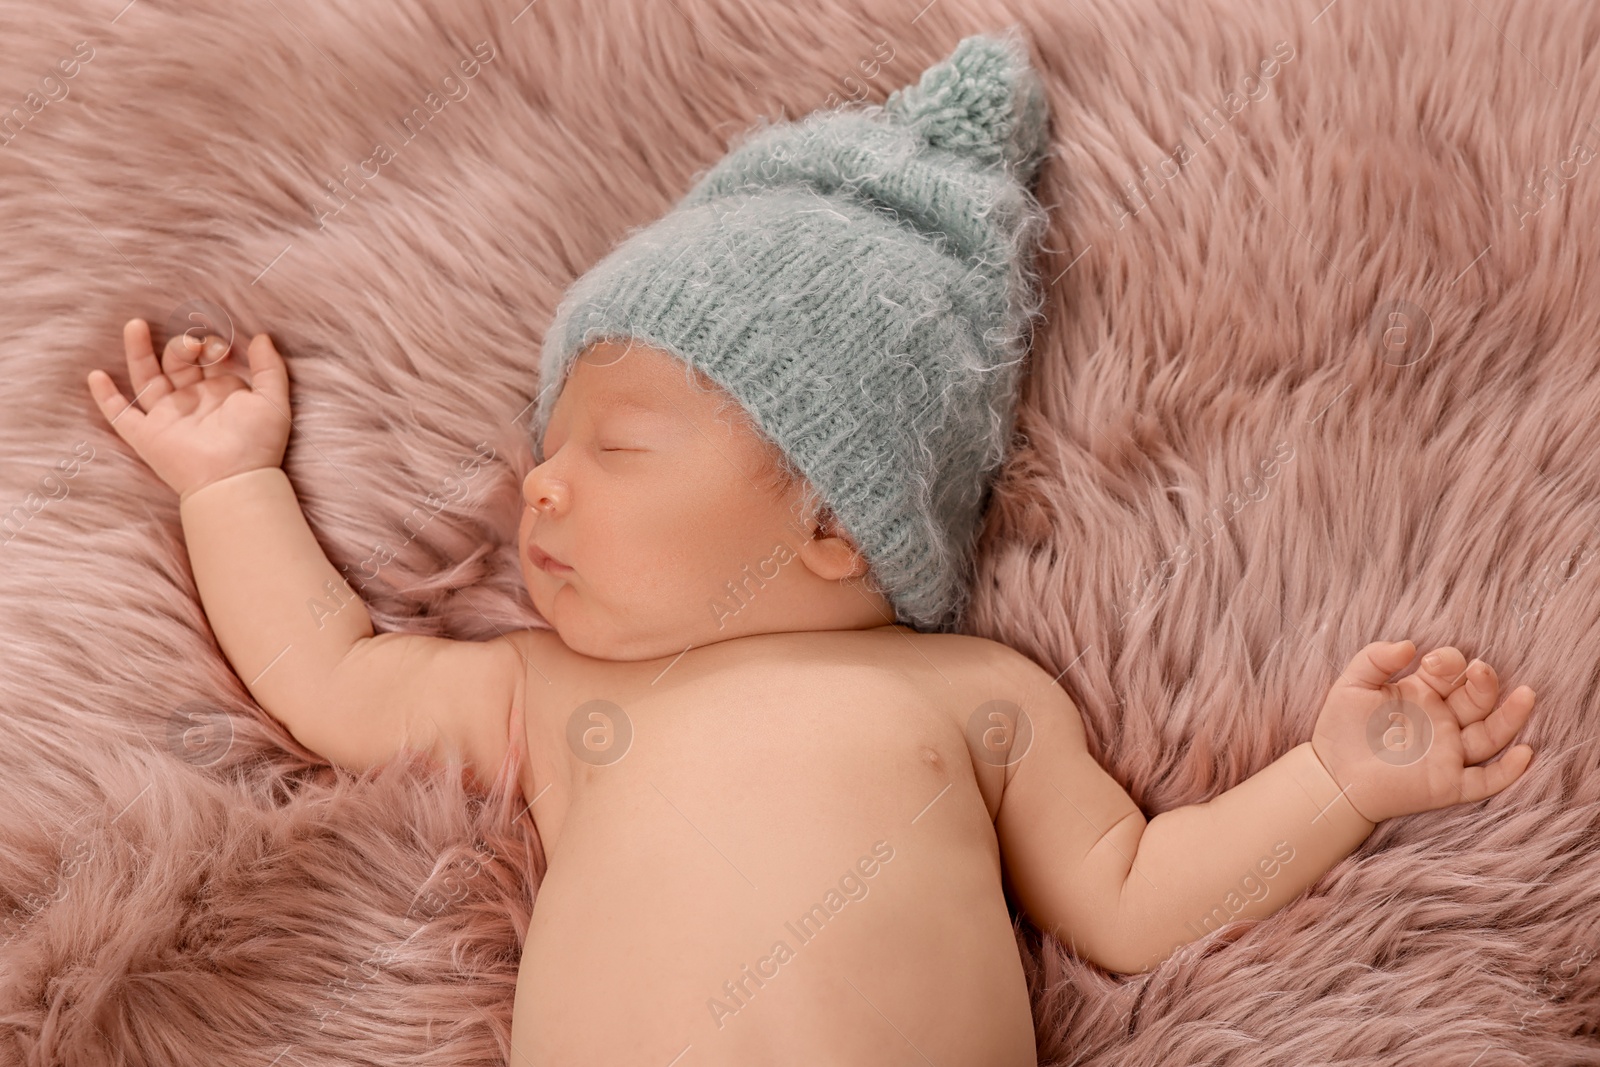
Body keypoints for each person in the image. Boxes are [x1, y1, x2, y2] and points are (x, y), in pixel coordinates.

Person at [85, 28, 1537, 1065]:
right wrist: (227, 484)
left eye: (619, 449)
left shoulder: (971, 694)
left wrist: (1337, 782)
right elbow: (327, 677)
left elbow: (1139, 895)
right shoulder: (548, 692)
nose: (540, 492)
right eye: (549, 453)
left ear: (837, 521)